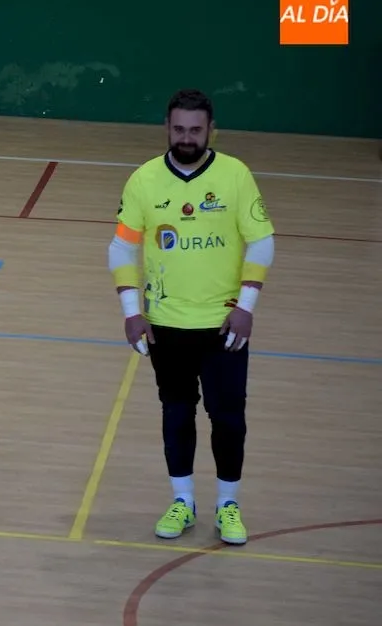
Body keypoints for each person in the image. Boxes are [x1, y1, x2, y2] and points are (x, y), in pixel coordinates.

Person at [108, 88, 275, 545]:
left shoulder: (235, 175)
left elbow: (262, 242)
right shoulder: (143, 180)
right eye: (179, 129)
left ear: (211, 131)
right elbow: (121, 248)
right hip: (166, 325)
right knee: (177, 414)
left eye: (195, 130)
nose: (186, 138)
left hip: (223, 326)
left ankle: (228, 505)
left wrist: (245, 307)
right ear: (167, 128)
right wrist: (132, 313)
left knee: (228, 418)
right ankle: (182, 501)